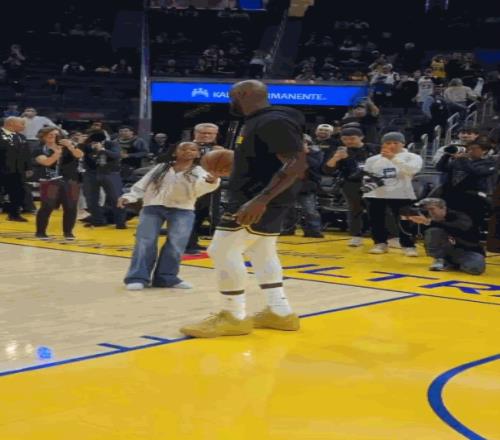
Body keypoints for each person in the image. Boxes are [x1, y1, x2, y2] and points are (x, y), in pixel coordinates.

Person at [180, 80, 307, 338]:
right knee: (262, 252)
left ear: (244, 95)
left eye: (232, 97)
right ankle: (280, 312)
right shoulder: (261, 120)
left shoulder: (273, 121)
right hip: (263, 198)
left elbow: (296, 164)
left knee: (221, 250)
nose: (231, 102)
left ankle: (233, 316)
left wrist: (260, 199)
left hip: (256, 200)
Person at [118, 142, 221, 290]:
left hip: (182, 209)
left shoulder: (199, 171)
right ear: (175, 152)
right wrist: (129, 197)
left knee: (176, 245)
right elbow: (142, 184)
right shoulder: (161, 167)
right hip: (152, 206)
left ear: (198, 154)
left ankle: (167, 278)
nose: (188, 151)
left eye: (193, 149)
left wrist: (211, 181)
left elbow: (200, 189)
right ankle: (137, 277)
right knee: (145, 242)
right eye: (183, 148)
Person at [363, 132, 423, 256]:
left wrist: (393, 158)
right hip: (376, 194)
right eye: (388, 143)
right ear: (382, 144)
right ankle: (380, 243)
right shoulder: (373, 159)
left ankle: (408, 245)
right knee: (376, 220)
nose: (392, 145)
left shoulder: (412, 157)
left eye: (396, 143)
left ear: (403, 144)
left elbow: (412, 170)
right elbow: (367, 175)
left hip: (402, 193)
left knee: (405, 221)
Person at [323, 127, 379, 246]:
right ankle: (356, 236)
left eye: (352, 138)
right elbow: (327, 169)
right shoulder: (340, 151)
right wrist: (336, 158)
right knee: (354, 210)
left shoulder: (373, 148)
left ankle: (385, 237)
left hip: (373, 182)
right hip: (351, 183)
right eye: (345, 139)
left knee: (377, 210)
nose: (349, 141)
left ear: (361, 137)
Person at [407, 198, 485, 274]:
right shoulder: (428, 219)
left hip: (468, 250)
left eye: (432, 209)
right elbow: (413, 233)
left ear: (443, 208)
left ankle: (452, 262)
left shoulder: (459, 216)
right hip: (447, 251)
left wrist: (429, 222)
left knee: (475, 268)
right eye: (426, 210)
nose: (430, 212)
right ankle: (440, 259)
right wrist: (413, 221)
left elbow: (458, 228)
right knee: (433, 231)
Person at [33, 128, 83, 240]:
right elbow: (47, 162)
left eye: (55, 134)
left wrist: (71, 146)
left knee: (71, 207)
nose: (53, 136)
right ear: (43, 136)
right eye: (49, 134)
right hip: (49, 181)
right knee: (47, 206)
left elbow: (79, 155)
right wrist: (57, 153)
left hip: (71, 180)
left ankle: (68, 232)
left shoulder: (68, 146)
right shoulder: (39, 149)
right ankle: (40, 232)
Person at [436, 140, 496, 229]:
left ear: (484, 151)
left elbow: (475, 172)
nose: (469, 151)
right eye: (468, 149)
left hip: (475, 196)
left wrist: (463, 159)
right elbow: (441, 168)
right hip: (454, 194)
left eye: (473, 149)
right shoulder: (461, 161)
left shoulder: (490, 162)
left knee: (470, 222)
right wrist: (446, 155)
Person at [185, 123, 224, 254]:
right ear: (195, 133)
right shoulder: (185, 147)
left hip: (212, 185)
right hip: (191, 185)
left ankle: (193, 242)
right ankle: (186, 245)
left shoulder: (219, 149)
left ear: (215, 135)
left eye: (210, 133)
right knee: (190, 215)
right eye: (203, 133)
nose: (206, 135)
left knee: (207, 214)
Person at [81, 130, 127, 228]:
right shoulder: (86, 146)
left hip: (110, 173)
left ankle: (120, 222)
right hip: (91, 173)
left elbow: (116, 155)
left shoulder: (112, 144)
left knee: (116, 198)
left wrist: (102, 149)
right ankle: (97, 220)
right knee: (91, 199)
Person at [282, 134, 324, 238]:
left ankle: (313, 230)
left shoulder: (316, 153)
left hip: (307, 185)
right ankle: (287, 228)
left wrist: (304, 154)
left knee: (309, 210)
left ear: (307, 143)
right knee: (287, 209)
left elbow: (315, 165)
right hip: (289, 185)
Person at [0, 117, 32, 222]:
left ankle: (14, 214)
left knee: (18, 193)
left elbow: (27, 154)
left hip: (17, 171)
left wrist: (28, 168)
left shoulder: (21, 137)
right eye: (22, 124)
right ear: (11, 123)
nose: (24, 126)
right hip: (2, 169)